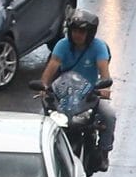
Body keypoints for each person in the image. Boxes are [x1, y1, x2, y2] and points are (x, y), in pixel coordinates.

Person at [40, 9, 115, 163]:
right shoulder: (62, 45)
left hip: (89, 95)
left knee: (109, 116)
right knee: (43, 118)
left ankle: (103, 152)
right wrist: (43, 86)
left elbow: (104, 71)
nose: (77, 35)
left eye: (82, 31)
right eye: (74, 30)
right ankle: (42, 152)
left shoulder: (99, 47)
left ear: (90, 33)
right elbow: (52, 65)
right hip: (63, 94)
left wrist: (104, 88)